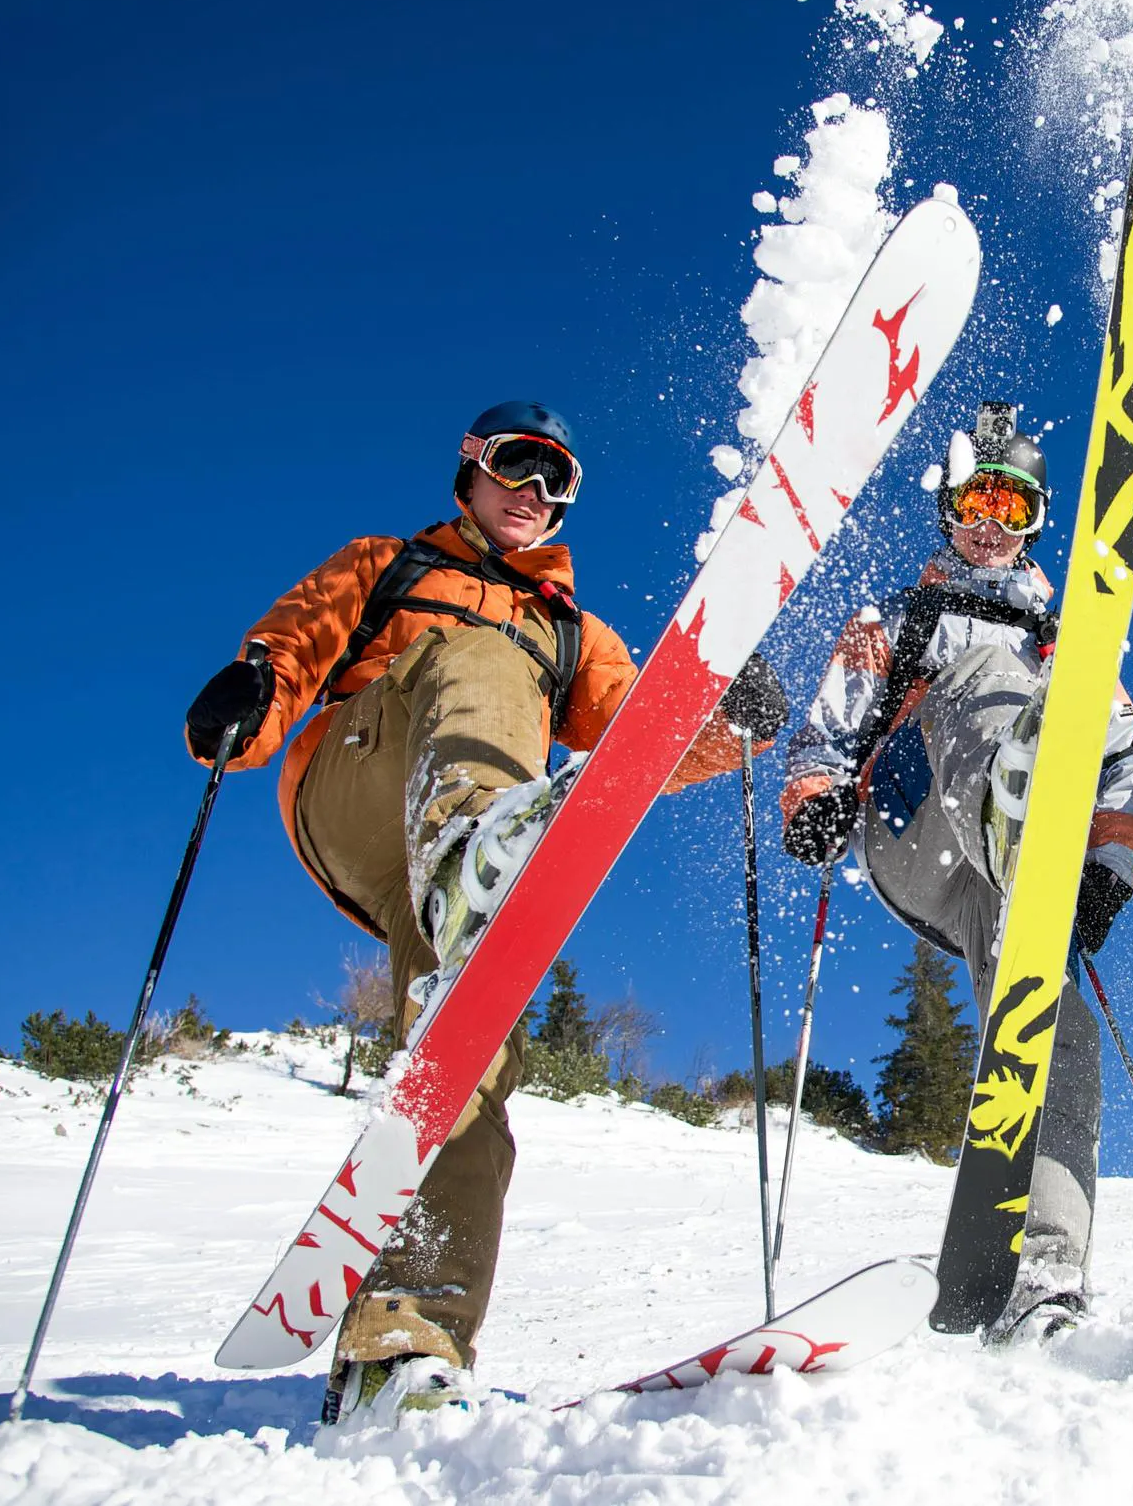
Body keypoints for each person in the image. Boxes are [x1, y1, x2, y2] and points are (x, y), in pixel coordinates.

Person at [183, 399, 787, 1421]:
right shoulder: (393, 565)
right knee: (476, 657)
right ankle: (478, 847)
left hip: (451, 862)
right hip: (362, 785)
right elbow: (298, 640)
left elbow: (644, 744)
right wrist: (250, 695)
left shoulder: (574, 633)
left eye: (559, 482)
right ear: (469, 469)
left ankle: (403, 1348)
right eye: (518, 464)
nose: (534, 494)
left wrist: (727, 728)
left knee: (465, 1054)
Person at [779, 400, 1133, 1341]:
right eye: (976, 500)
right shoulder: (895, 620)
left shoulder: (1071, 636)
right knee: (986, 672)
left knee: (1057, 1026)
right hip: (919, 831)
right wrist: (815, 797)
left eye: (1013, 506)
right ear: (947, 509)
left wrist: (1106, 864)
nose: (991, 524)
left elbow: (1125, 759)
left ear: (1033, 521)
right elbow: (823, 735)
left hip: (1009, 885)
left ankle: (1048, 1273)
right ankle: (1015, 805)